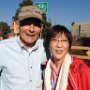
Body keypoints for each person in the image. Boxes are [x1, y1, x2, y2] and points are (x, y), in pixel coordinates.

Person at [0, 6, 47, 90]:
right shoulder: (3, 48)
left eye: (36, 24)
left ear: (41, 28)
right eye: (27, 23)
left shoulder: (47, 48)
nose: (31, 29)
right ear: (17, 26)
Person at [43, 25, 90, 90]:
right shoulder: (46, 70)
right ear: (48, 45)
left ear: (69, 45)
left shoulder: (82, 71)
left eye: (64, 41)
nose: (59, 45)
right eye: (54, 40)